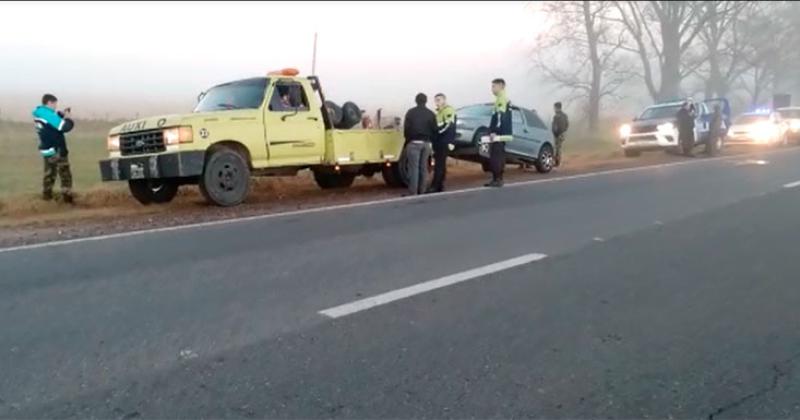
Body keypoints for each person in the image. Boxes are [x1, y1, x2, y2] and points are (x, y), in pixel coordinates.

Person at [32, 93, 75, 202]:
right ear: (49, 102)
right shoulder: (48, 115)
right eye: (55, 104)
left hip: (47, 149)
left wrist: (60, 115)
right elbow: (64, 127)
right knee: (65, 175)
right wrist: (69, 118)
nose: (56, 107)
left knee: (49, 175)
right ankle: (67, 199)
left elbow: (50, 125)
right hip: (57, 149)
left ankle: (47, 198)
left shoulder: (39, 113)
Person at [402, 93, 437, 195]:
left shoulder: (410, 113)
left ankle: (413, 192)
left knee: (414, 168)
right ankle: (423, 190)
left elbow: (406, 129)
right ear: (426, 101)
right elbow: (435, 129)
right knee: (423, 167)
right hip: (426, 144)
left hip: (413, 143)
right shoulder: (430, 114)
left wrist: (408, 140)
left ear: (416, 101)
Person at [428, 93, 456, 193]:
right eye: (435, 100)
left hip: (444, 141)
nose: (437, 102)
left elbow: (448, 125)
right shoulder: (439, 112)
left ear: (444, 100)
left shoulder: (448, 110)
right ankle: (440, 185)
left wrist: (437, 132)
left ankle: (435, 186)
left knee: (439, 165)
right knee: (440, 164)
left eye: (439, 100)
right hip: (439, 141)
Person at [486, 78, 512, 187]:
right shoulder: (500, 99)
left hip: (499, 134)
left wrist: (494, 131)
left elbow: (500, 117)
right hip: (501, 134)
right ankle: (497, 178)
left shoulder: (501, 99)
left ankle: (497, 179)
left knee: (496, 156)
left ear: (501, 86)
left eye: (494, 86)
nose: (492, 89)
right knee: (498, 155)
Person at [551, 102, 569, 167]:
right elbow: (567, 125)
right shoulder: (565, 115)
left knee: (557, 148)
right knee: (559, 148)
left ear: (557, 108)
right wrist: (564, 131)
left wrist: (555, 133)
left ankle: (557, 162)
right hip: (562, 133)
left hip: (558, 134)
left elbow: (555, 126)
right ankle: (557, 162)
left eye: (554, 108)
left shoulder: (556, 116)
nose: (554, 109)